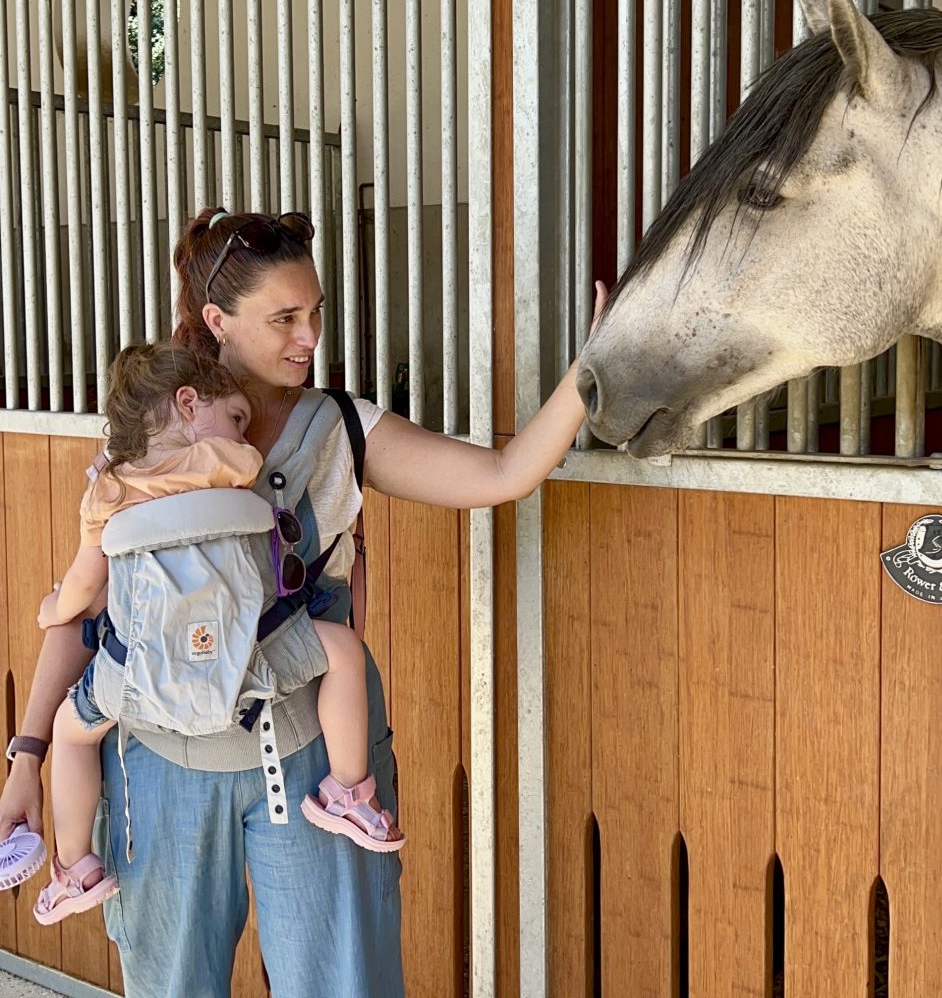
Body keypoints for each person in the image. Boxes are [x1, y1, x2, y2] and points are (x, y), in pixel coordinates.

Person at [0, 206, 605, 998]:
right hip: (158, 762)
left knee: (339, 983)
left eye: (314, 313)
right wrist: (28, 754)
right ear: (217, 321)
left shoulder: (342, 430)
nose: (308, 336)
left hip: (309, 763)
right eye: (283, 317)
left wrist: (590, 370)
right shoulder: (148, 437)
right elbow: (88, 613)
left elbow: (500, 476)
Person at [27, 341, 405, 926]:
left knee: (71, 734)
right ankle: (349, 791)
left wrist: (55, 607)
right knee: (344, 654)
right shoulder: (235, 465)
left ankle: (77, 866)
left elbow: (82, 583)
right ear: (187, 401)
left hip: (136, 674)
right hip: (248, 657)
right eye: (233, 417)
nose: (242, 430)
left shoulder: (109, 491)